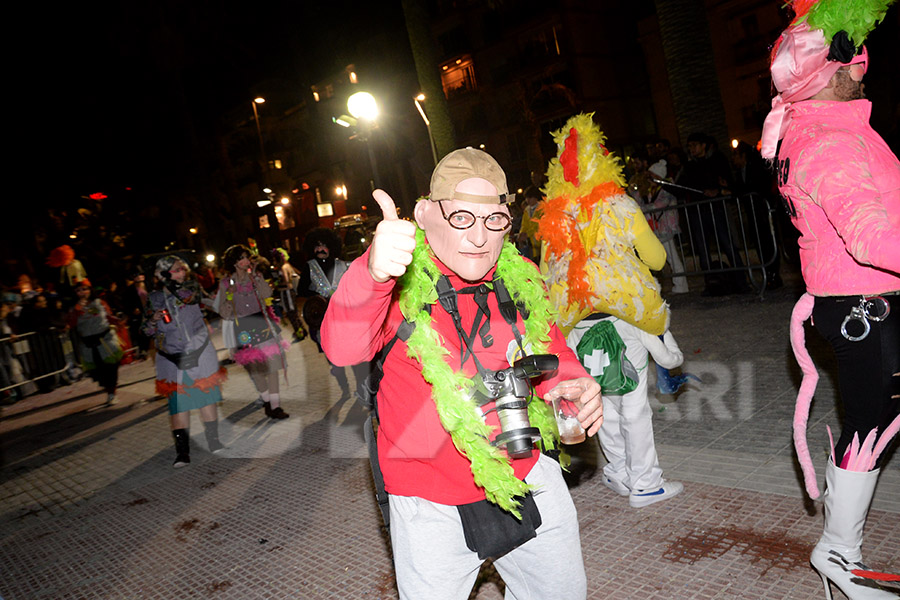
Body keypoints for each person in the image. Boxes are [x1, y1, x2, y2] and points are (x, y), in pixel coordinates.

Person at [321, 148, 603, 599]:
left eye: (493, 220)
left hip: (524, 470)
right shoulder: (395, 278)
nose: (479, 236)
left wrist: (570, 383)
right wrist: (373, 275)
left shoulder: (520, 274)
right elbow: (342, 348)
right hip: (427, 493)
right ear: (427, 215)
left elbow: (550, 349)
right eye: (461, 218)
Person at [761, 2, 900, 598]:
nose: (861, 62)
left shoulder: (821, 129)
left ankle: (839, 553)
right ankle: (839, 554)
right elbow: (872, 237)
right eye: (849, 53)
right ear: (826, 70)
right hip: (867, 303)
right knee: (873, 424)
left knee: (875, 423)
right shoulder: (827, 140)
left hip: (861, 301)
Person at [537, 114, 685, 508]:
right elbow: (655, 259)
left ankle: (618, 472)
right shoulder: (619, 204)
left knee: (597, 400)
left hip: (576, 329)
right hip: (624, 324)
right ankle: (646, 484)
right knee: (633, 404)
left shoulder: (554, 216)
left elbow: (548, 274)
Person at [143, 256, 228, 467]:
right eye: (176, 271)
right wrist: (153, 320)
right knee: (178, 404)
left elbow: (192, 298)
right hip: (171, 357)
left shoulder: (190, 288)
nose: (182, 274)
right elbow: (145, 331)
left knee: (205, 397)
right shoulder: (153, 299)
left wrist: (171, 284)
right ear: (161, 274)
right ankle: (182, 452)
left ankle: (214, 441)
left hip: (199, 352)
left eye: (182, 270)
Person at [215, 245, 289, 419]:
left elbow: (267, 294)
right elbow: (224, 312)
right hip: (242, 327)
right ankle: (266, 401)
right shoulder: (226, 283)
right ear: (234, 262)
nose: (247, 261)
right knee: (255, 370)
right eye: (242, 258)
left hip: (261, 323)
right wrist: (230, 296)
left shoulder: (256, 277)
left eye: (247, 257)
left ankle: (275, 406)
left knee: (272, 367)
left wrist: (257, 278)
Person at [298, 228, 368, 401]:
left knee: (354, 356)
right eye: (316, 246)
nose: (320, 249)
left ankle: (360, 388)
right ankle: (344, 388)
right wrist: (315, 296)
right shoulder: (309, 268)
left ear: (331, 247)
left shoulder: (342, 265)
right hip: (323, 320)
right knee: (334, 360)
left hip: (345, 318)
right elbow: (301, 290)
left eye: (324, 246)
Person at [680, 132, 749, 296]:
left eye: (694, 145)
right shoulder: (689, 166)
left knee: (727, 244)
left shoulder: (717, 160)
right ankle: (710, 284)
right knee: (703, 249)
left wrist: (717, 191)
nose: (692, 149)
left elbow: (727, 182)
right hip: (699, 211)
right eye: (689, 146)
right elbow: (683, 186)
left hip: (716, 209)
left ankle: (742, 282)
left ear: (703, 145)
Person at [732, 141, 782, 290]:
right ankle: (768, 272)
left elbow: (757, 187)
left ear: (743, 155)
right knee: (759, 244)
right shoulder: (741, 171)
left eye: (735, 155)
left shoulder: (757, 167)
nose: (733, 160)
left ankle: (774, 274)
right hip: (752, 213)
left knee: (768, 242)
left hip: (763, 211)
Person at [66, 279, 122, 406]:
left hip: (106, 341)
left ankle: (112, 393)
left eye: (84, 289)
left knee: (111, 368)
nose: (82, 292)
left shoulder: (100, 302)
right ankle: (108, 389)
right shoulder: (74, 308)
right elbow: (71, 323)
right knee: (97, 373)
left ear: (90, 290)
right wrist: (77, 309)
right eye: (79, 290)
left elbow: (107, 316)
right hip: (89, 344)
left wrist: (116, 320)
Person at [645, 159, 689, 294]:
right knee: (670, 257)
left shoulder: (667, 190)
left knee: (672, 258)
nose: (649, 179)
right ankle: (679, 285)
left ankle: (681, 286)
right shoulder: (653, 190)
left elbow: (657, 206)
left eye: (652, 176)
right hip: (659, 228)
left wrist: (641, 208)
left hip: (666, 228)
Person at [270, 248, 306, 343]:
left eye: (274, 259)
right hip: (290, 292)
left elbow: (286, 281)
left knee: (291, 314)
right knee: (294, 313)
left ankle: (299, 333)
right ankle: (302, 331)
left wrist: (276, 284)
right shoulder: (288, 265)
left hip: (286, 293)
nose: (274, 262)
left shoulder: (283, 268)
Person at [514, 186, 543, 263]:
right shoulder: (527, 209)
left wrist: (527, 234)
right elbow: (524, 224)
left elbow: (538, 225)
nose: (527, 200)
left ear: (535, 197)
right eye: (527, 198)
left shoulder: (542, 208)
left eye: (530, 198)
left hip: (540, 243)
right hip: (529, 243)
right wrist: (521, 233)